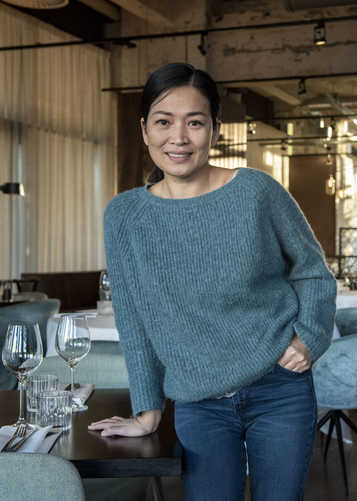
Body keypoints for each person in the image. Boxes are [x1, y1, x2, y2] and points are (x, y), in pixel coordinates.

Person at [88, 62, 336, 501]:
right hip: (197, 401)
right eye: (164, 122)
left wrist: (310, 337)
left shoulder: (257, 191)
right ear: (144, 130)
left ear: (216, 131)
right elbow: (133, 317)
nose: (178, 138)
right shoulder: (124, 216)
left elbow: (312, 270)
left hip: (278, 388)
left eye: (195, 122)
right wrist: (147, 411)